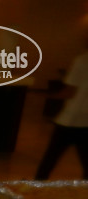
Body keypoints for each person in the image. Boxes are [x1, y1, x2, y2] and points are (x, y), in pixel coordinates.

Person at [35, 50, 88, 180]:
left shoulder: (82, 60)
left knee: (50, 158)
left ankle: (37, 186)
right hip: (85, 120)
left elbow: (69, 92)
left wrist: (45, 95)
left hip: (71, 119)